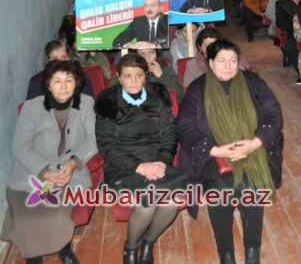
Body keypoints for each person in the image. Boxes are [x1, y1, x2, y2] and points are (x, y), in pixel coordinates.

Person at [177, 39, 283, 264]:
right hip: (212, 155)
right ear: (211, 63)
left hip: (251, 149)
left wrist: (255, 142)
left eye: (233, 61)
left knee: (251, 188)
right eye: (222, 61)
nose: (228, 66)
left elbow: (273, 114)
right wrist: (215, 150)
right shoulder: (197, 89)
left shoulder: (253, 82)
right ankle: (225, 252)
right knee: (221, 192)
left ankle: (252, 251)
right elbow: (184, 127)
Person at [95, 54, 188, 264]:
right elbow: (107, 146)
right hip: (123, 166)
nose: (134, 80)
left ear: (146, 76)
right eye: (128, 76)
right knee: (146, 205)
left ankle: (148, 242)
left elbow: (169, 133)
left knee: (172, 202)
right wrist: (139, 166)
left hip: (158, 163)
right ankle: (131, 247)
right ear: (119, 77)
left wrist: (163, 160)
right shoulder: (108, 102)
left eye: (138, 75)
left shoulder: (158, 97)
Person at [1, 60, 96, 264]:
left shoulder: (86, 103)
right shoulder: (32, 107)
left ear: (76, 83)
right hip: (32, 173)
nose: (63, 86)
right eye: (57, 81)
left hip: (69, 173)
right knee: (27, 214)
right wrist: (44, 171)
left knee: (57, 212)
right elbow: (20, 146)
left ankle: (63, 248)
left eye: (68, 80)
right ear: (48, 84)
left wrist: (73, 163)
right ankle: (33, 255)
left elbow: (94, 139)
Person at [26, 40, 95, 100]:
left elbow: (89, 104)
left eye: (64, 57)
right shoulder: (37, 82)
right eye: (55, 59)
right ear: (47, 62)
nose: (61, 63)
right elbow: (31, 108)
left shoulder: (81, 78)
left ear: (69, 58)